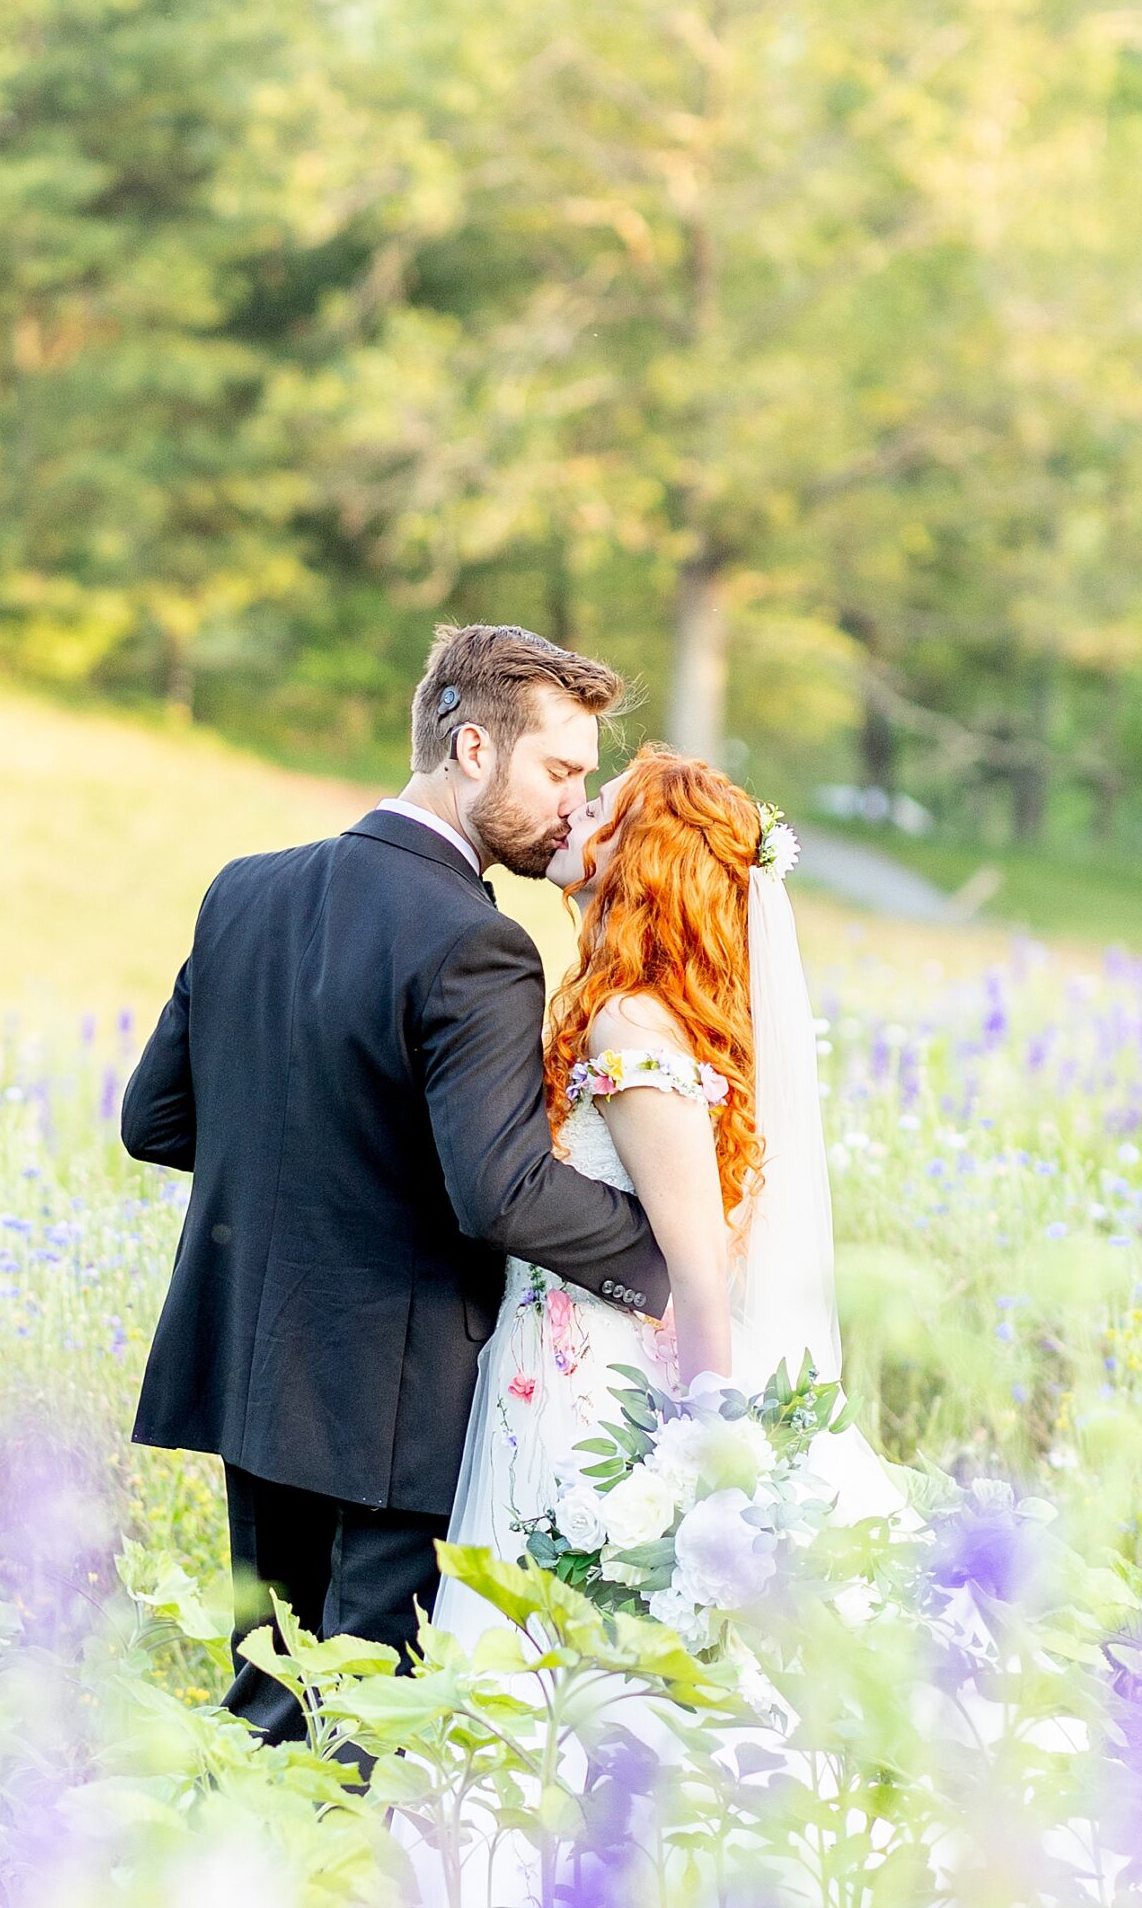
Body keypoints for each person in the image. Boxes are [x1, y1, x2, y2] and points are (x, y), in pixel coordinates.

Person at [119, 623, 669, 1739]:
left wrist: (312, 1175)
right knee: (361, 1738)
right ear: (473, 749)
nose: (575, 802)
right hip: (393, 1406)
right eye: (560, 769)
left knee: (271, 1704)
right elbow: (501, 1193)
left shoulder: (244, 893)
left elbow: (156, 1119)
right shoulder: (478, 942)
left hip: (256, 1384)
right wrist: (666, 1257)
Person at [432, 745, 904, 1648]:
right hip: (559, 1364)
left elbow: (699, 1269)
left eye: (599, 805)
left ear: (642, 857)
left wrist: (702, 1465)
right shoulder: (621, 1004)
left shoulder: (630, 1021)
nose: (572, 814)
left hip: (600, 1392)